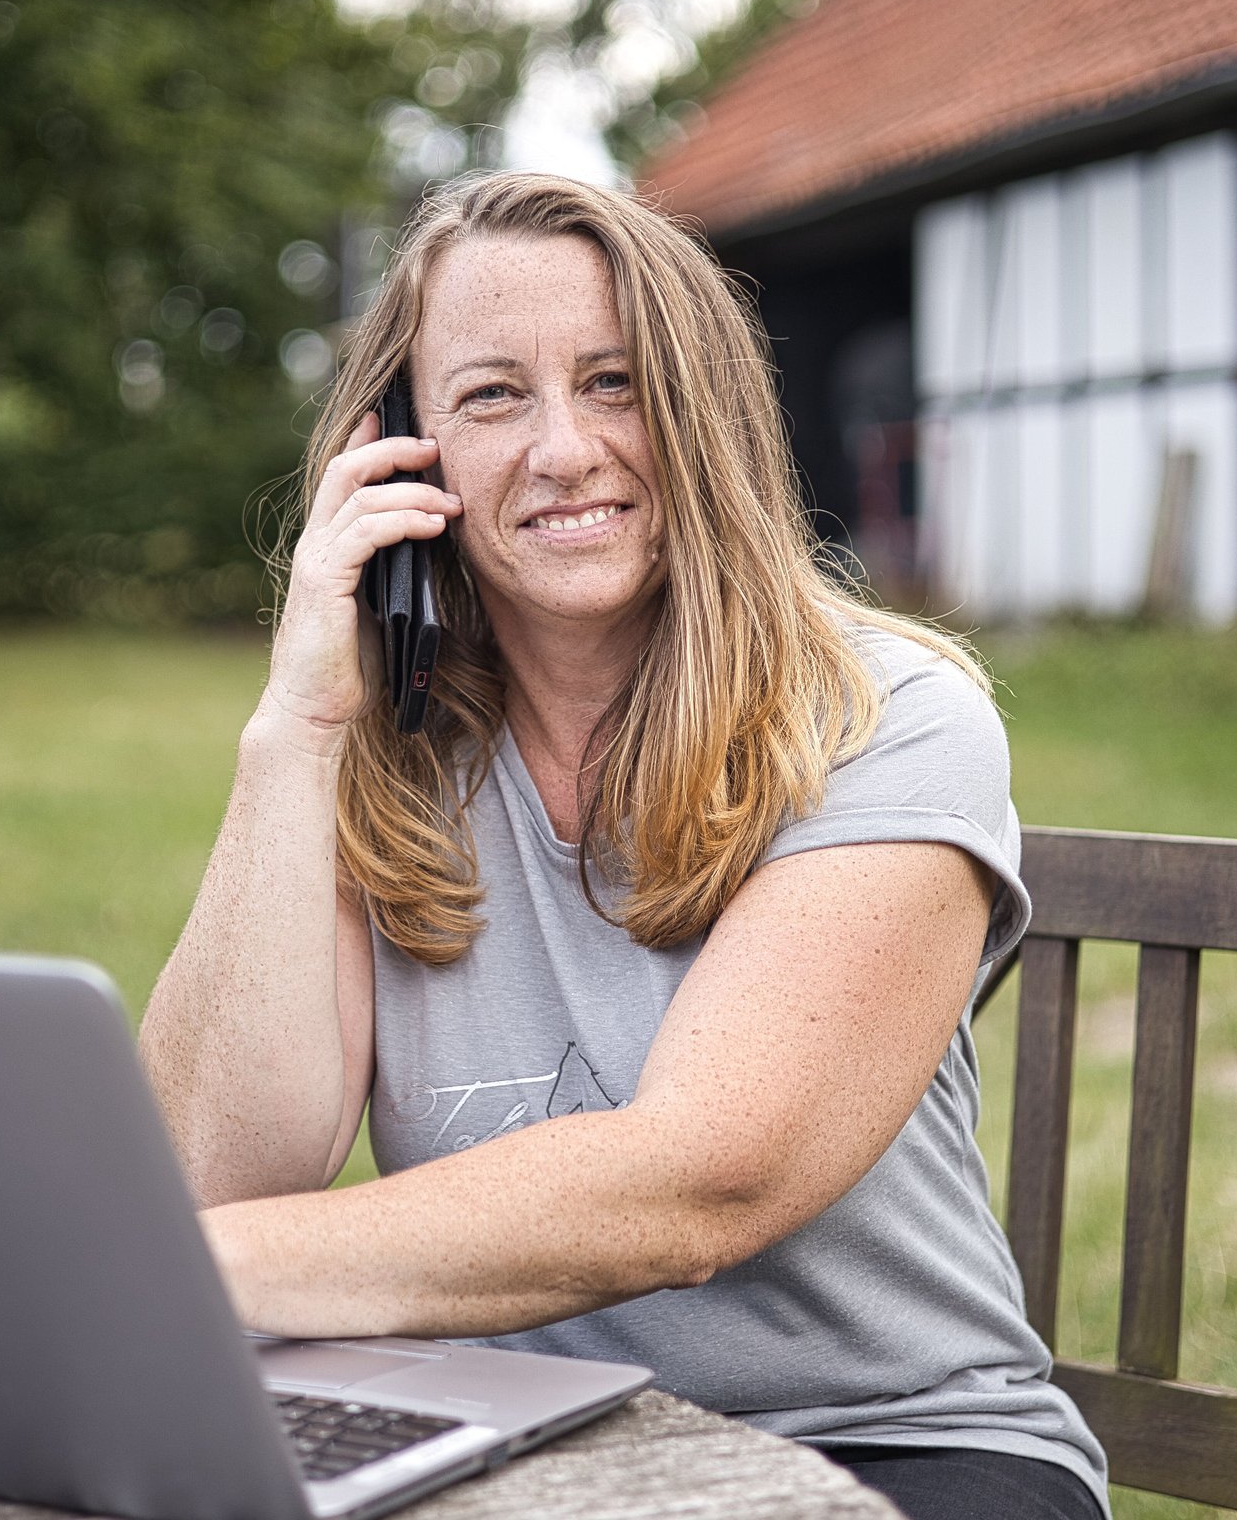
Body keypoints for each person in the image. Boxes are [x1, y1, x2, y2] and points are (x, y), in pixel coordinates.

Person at [139, 172, 1107, 1520]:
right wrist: (295, 728)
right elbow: (205, 1176)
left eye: (615, 381)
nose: (565, 450)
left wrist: (168, 1269)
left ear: (702, 416)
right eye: (491, 396)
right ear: (404, 452)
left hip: (891, 1454)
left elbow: (699, 1186)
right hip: (515, 1457)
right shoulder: (383, 757)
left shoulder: (883, 718)